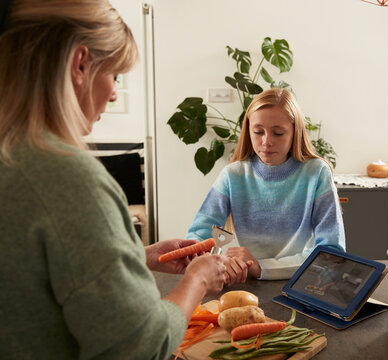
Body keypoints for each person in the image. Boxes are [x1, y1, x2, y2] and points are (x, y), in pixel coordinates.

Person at [0, 1, 227, 358]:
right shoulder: (68, 177)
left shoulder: (11, 155)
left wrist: (140, 254)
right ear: (80, 64)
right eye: (116, 76)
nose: (113, 92)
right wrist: (197, 281)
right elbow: (141, 345)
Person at [186, 88, 346, 280]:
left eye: (278, 133)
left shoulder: (316, 173)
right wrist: (216, 262)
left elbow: (331, 252)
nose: (266, 141)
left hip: (302, 283)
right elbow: (197, 236)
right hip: (248, 282)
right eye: (258, 132)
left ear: (295, 132)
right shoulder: (233, 175)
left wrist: (263, 267)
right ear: (248, 130)